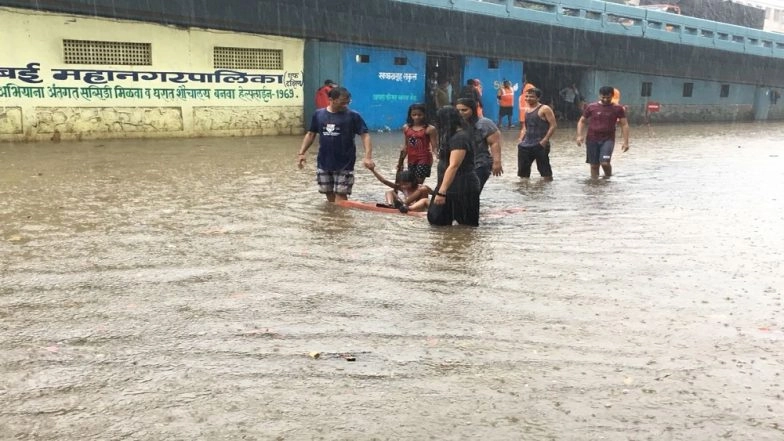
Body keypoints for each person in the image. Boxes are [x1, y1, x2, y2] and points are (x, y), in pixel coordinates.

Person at [297, 87, 374, 201]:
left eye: (347, 102)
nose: (345, 105)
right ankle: (332, 218)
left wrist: (368, 157)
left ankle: (341, 218)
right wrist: (301, 153)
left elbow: (365, 135)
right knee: (328, 193)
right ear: (331, 99)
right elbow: (311, 134)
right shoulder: (318, 114)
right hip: (324, 162)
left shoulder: (353, 116)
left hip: (345, 162)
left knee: (341, 196)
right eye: (342, 102)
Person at [427, 106, 481, 227]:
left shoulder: (460, 138)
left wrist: (442, 192)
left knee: (466, 225)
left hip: (462, 187)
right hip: (447, 186)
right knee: (436, 219)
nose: (437, 125)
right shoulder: (451, 135)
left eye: (438, 121)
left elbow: (454, 165)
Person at [575, 86, 630, 179]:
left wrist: (626, 142)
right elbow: (582, 121)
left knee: (605, 163)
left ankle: (608, 179)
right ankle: (595, 185)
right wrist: (579, 135)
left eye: (608, 97)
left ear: (612, 96)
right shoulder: (591, 107)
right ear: (599, 96)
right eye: (603, 97)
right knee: (594, 165)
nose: (605, 99)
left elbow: (624, 124)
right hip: (592, 139)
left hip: (608, 140)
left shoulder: (618, 108)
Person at [455, 98, 503, 192]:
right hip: (461, 165)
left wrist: (497, 162)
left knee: (472, 192)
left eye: (464, 110)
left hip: (480, 164)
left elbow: (494, 143)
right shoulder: (455, 124)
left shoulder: (484, 123)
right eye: (458, 110)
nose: (461, 113)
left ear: (473, 110)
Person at [516, 87, 557, 180]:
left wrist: (545, 140)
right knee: (523, 174)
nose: (528, 99)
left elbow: (553, 125)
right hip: (525, 145)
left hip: (540, 144)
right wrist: (520, 139)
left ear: (538, 98)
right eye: (526, 96)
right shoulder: (526, 110)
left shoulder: (545, 109)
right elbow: (525, 127)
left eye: (531, 97)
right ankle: (524, 190)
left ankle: (545, 191)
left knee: (545, 172)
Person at [397, 103, 437, 185]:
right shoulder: (406, 128)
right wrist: (400, 162)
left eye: (420, 115)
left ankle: (421, 196)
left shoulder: (430, 129)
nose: (417, 117)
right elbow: (406, 146)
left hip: (424, 158)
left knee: (418, 183)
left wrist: (439, 158)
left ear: (425, 115)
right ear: (410, 115)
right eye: (414, 115)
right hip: (411, 158)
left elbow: (434, 147)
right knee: (410, 182)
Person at [367, 167, 431, 213]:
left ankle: (405, 206)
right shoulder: (401, 188)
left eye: (406, 184)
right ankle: (390, 205)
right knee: (389, 192)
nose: (404, 186)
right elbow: (385, 181)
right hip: (403, 207)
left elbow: (434, 194)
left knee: (423, 189)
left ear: (413, 182)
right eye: (402, 184)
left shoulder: (420, 188)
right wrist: (373, 170)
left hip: (416, 208)